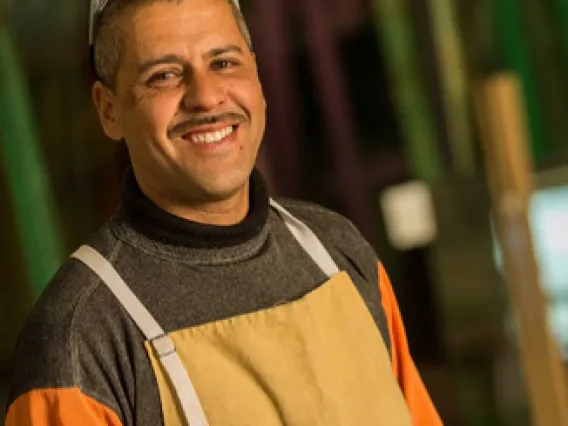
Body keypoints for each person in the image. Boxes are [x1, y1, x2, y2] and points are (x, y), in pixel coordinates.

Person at [5, 0, 442, 424]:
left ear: (256, 74)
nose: (207, 96)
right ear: (108, 109)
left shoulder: (338, 252)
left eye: (224, 63)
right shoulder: (82, 342)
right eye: (165, 75)